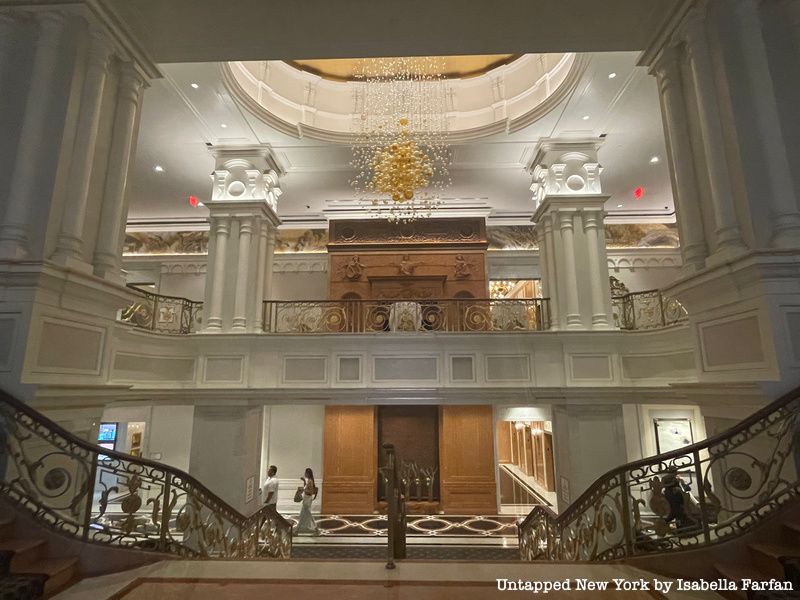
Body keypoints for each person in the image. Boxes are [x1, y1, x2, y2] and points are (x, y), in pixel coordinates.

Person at [294, 467, 320, 535]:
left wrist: (303, 490)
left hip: (307, 499)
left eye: (305, 472)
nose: (305, 474)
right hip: (306, 498)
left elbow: (310, 491)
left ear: (308, 473)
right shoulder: (308, 480)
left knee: (308, 514)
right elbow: (306, 487)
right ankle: (297, 530)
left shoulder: (310, 481)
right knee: (302, 515)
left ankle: (316, 529)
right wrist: (304, 482)